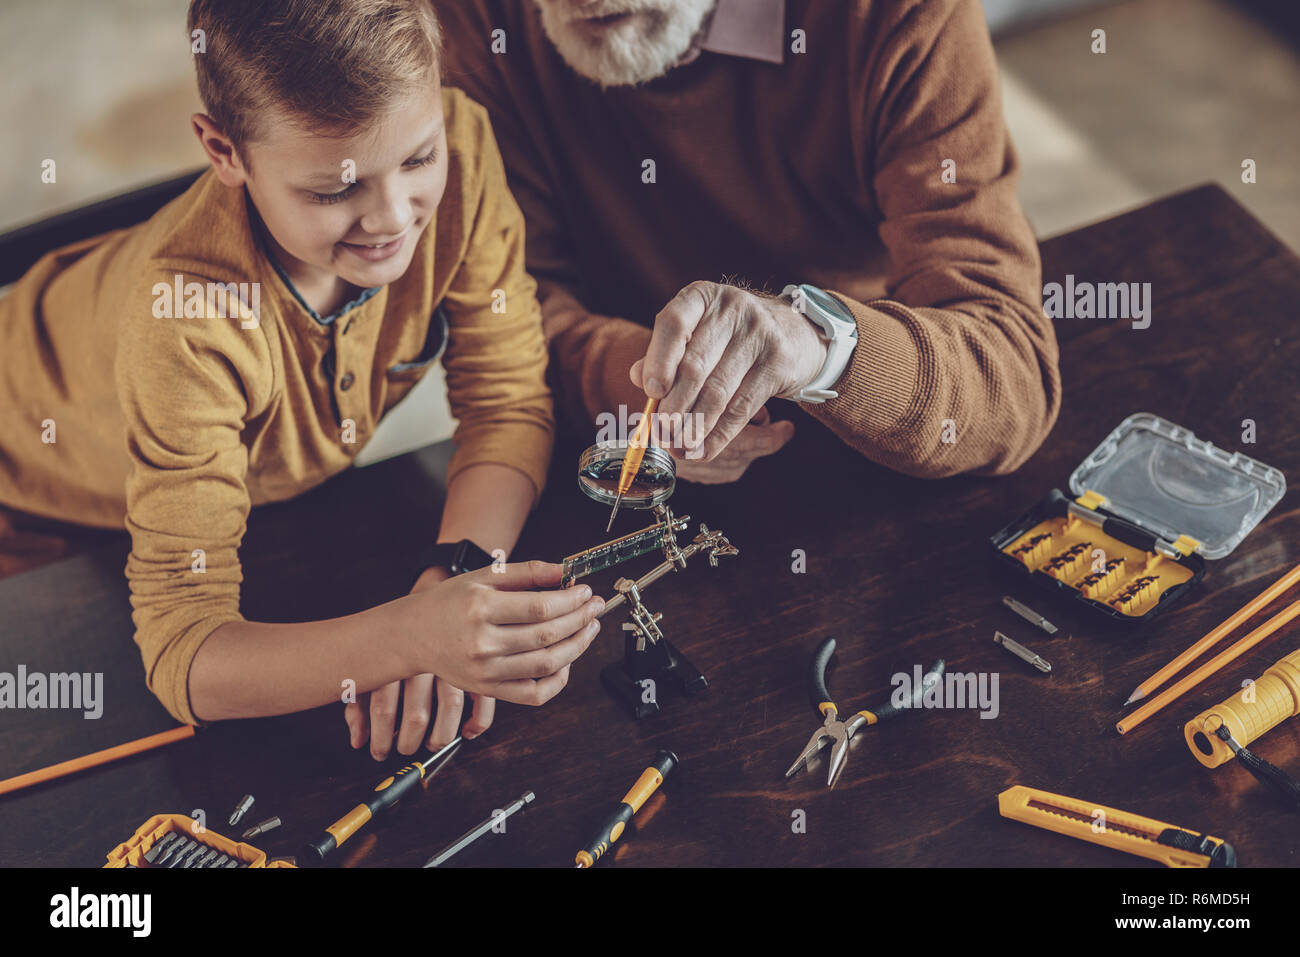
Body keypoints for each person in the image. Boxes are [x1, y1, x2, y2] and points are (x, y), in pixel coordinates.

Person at [0, 0, 604, 759]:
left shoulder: (467, 146)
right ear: (223, 151)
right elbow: (184, 650)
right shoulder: (185, 321)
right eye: (334, 190)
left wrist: (451, 581)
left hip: (200, 468)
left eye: (418, 158)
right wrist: (410, 639)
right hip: (22, 485)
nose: (393, 218)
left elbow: (508, 398)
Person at [437, 0, 1062, 483]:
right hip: (629, 459)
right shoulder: (475, 21)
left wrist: (814, 343)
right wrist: (649, 389)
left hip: (871, 432)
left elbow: (1010, 379)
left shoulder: (897, 16)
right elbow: (507, 310)